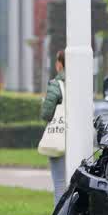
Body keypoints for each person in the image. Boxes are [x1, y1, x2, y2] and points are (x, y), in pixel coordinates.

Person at [40, 50, 67, 203]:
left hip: (59, 138)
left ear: (59, 64)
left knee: (60, 183)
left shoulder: (56, 85)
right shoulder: (82, 83)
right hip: (78, 140)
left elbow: (46, 114)